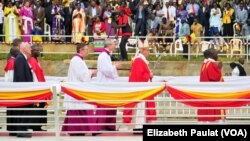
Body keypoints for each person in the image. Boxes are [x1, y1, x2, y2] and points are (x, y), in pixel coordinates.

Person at [62, 43, 98, 136]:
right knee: (80, 109)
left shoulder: (78, 60)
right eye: (86, 49)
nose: (88, 51)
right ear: (81, 50)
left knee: (80, 109)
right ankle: (77, 130)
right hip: (76, 90)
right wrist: (92, 72)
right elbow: (82, 75)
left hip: (78, 89)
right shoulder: (76, 60)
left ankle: (80, 129)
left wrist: (89, 73)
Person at [123, 39, 156, 134]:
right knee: (140, 108)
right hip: (140, 89)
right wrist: (149, 75)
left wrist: (149, 74)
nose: (149, 52)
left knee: (142, 108)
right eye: (148, 50)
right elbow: (139, 76)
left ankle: (141, 125)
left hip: (142, 88)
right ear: (143, 51)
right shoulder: (139, 60)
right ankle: (138, 126)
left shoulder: (140, 60)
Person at [96, 39, 121, 132]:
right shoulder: (103, 56)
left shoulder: (106, 55)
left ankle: (109, 125)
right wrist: (115, 67)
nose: (115, 45)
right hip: (104, 84)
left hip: (107, 84)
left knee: (110, 105)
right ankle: (100, 126)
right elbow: (107, 70)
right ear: (109, 45)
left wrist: (113, 67)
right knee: (104, 105)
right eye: (114, 44)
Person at [12, 42, 34, 138]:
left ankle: (23, 129)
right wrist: (25, 89)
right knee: (23, 110)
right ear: (24, 49)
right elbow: (21, 76)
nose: (31, 49)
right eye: (29, 48)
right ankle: (21, 130)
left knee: (26, 110)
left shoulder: (23, 58)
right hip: (23, 90)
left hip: (25, 89)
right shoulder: (20, 59)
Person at [199, 48, 225, 123]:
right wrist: (219, 68)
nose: (217, 55)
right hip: (213, 93)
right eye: (215, 53)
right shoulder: (211, 64)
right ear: (210, 55)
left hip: (206, 92)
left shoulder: (205, 63)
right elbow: (214, 77)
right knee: (214, 116)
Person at [28, 45, 47, 131]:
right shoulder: (32, 60)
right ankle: (35, 125)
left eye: (39, 50)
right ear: (32, 51)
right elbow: (34, 75)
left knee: (41, 106)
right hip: (37, 87)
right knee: (37, 106)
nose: (39, 52)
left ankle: (38, 125)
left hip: (40, 86)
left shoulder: (36, 60)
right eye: (37, 50)